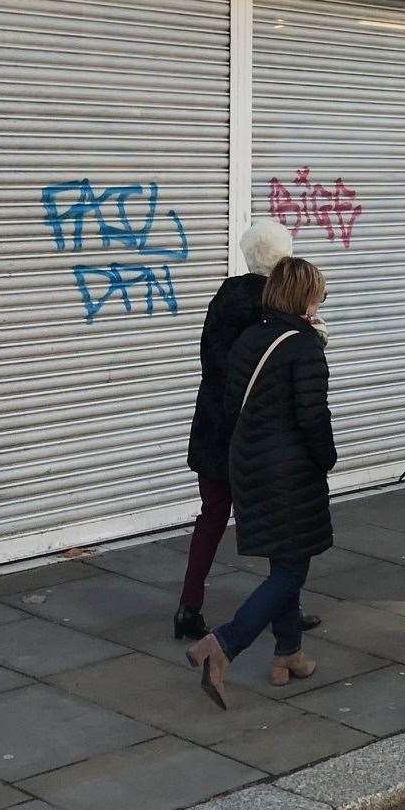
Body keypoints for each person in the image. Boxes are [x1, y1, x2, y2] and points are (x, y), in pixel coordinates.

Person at [186, 257, 336, 707]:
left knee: (282, 560)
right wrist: (326, 457)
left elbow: (233, 404)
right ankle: (224, 645)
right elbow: (312, 417)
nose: (320, 301)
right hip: (289, 472)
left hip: (249, 467)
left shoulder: (250, 338)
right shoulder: (304, 346)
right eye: (317, 293)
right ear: (303, 296)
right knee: (292, 570)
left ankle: (287, 654)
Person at [176, 220, 319, 641]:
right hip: (254, 438)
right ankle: (284, 615)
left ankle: (188, 606)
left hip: (212, 430)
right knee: (282, 528)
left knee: (212, 518)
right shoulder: (275, 315)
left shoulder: (222, 300)